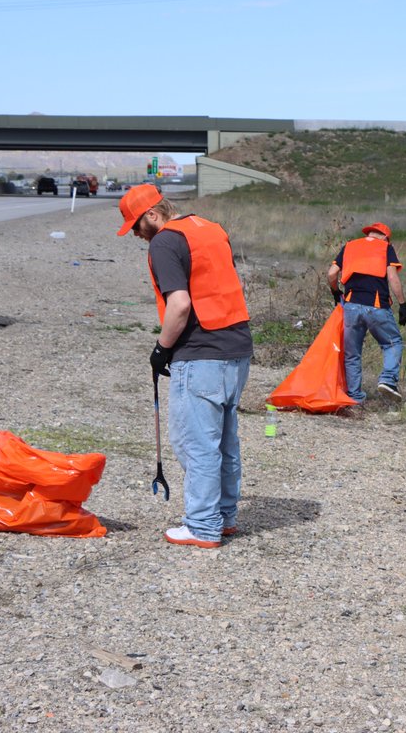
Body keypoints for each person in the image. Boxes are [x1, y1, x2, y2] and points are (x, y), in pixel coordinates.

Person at [117, 184, 252, 549]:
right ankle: (224, 517)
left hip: (200, 352)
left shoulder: (164, 241)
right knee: (224, 442)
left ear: (152, 215)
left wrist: (162, 349)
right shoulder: (211, 229)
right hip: (237, 349)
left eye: (135, 225)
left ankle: (202, 526)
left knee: (197, 444)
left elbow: (179, 304)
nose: (135, 235)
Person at [327, 222, 406, 404]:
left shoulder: (349, 246)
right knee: (392, 342)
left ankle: (354, 398)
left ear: (369, 234)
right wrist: (402, 304)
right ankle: (387, 379)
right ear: (386, 238)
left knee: (352, 353)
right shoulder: (386, 248)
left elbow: (332, 274)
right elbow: (393, 277)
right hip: (376, 306)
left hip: (351, 306)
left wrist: (335, 292)